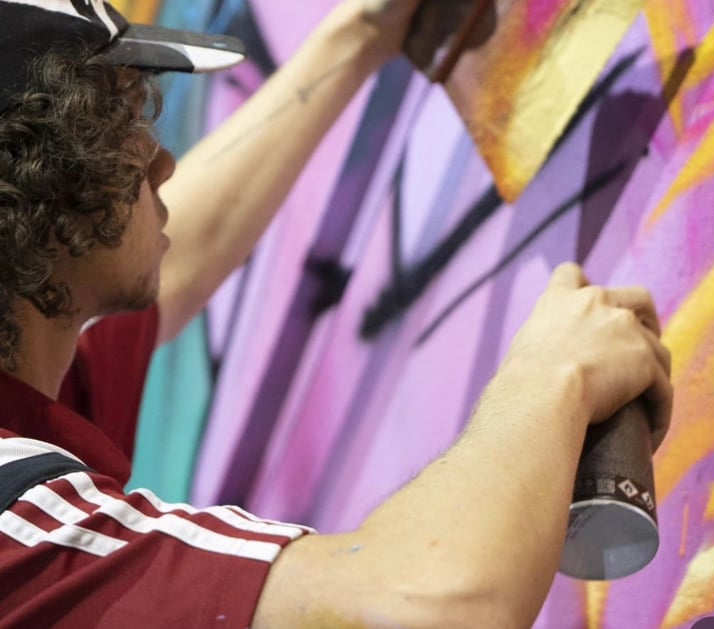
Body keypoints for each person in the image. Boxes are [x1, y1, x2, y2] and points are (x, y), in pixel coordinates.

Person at [0, 1, 673, 627]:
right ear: (37, 196)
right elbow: (419, 605)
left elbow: (180, 254)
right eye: (118, 125)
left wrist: (363, 34)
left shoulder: (35, 390)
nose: (164, 161)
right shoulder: (22, 531)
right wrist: (555, 373)